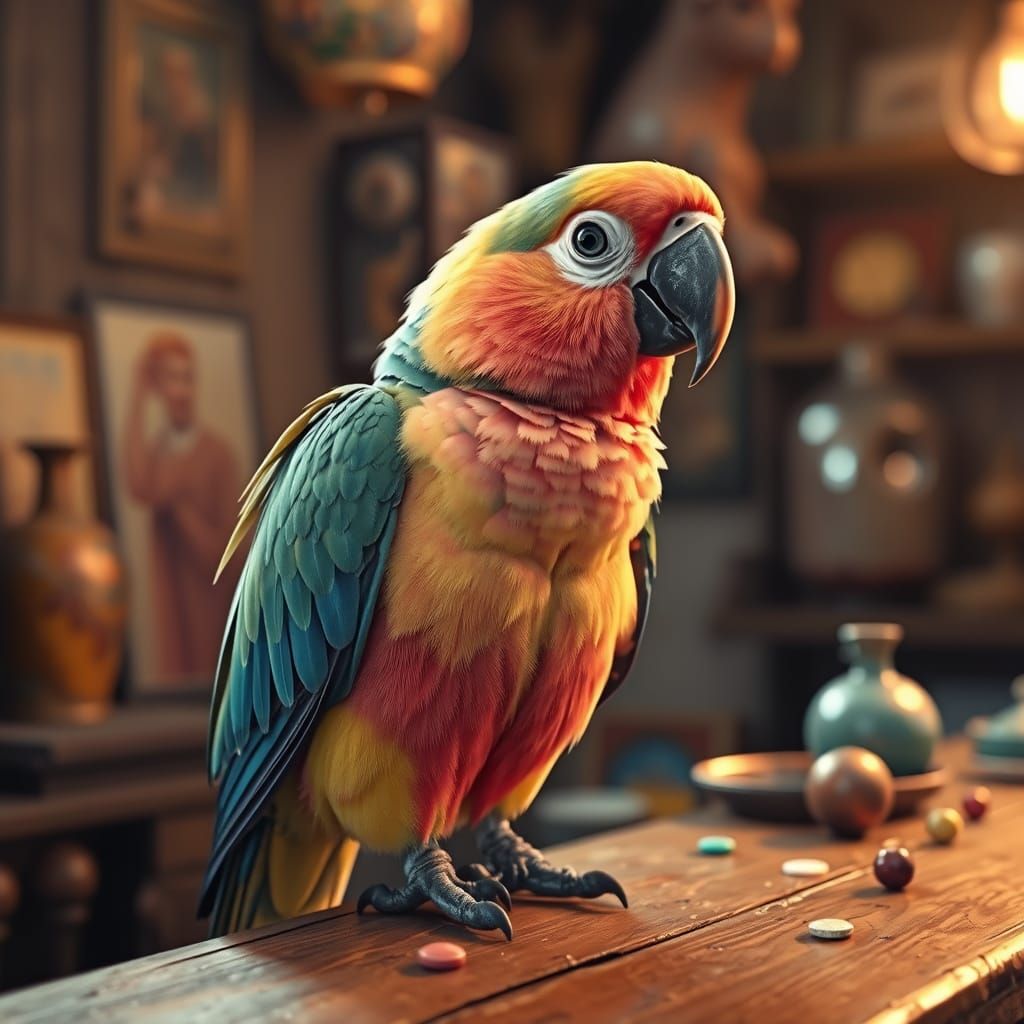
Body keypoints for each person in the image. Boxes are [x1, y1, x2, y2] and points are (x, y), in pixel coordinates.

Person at [121, 331, 241, 683]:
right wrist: (139, 394)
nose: (182, 390)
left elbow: (228, 554)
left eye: (187, 377)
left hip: (210, 625)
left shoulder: (218, 454)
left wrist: (181, 510)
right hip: (171, 636)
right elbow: (137, 484)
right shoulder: (159, 450)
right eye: (171, 379)